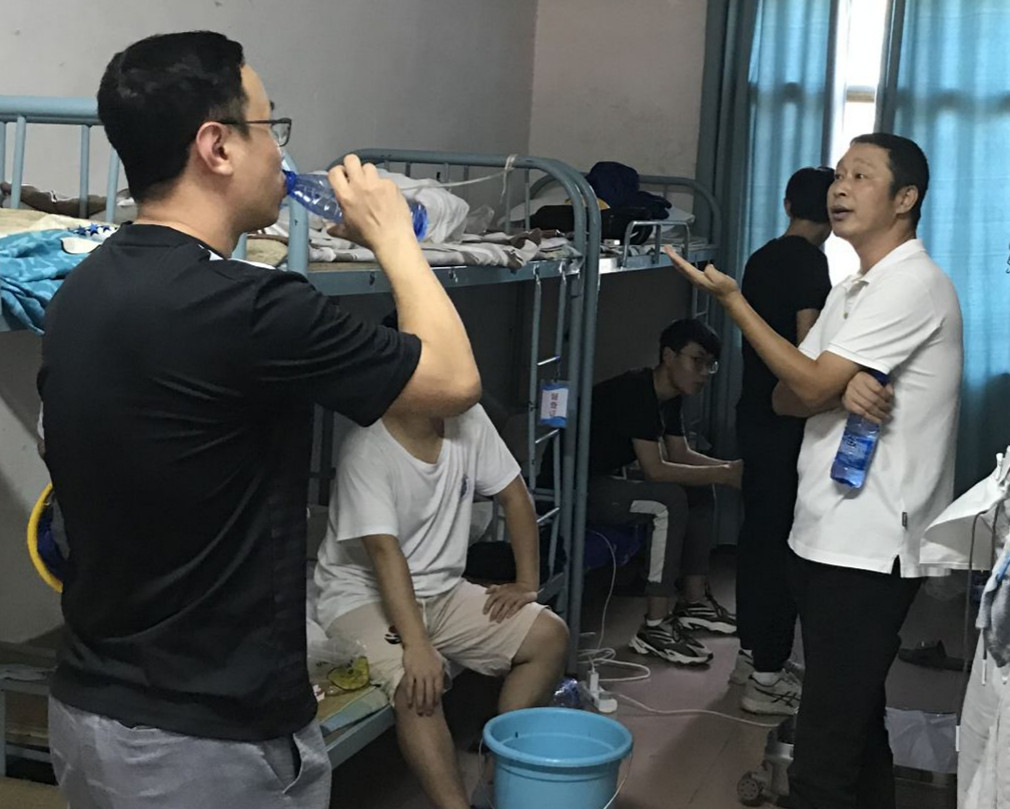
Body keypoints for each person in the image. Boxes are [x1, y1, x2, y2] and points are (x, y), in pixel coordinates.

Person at [38, 31, 481, 809]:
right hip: (200, 744)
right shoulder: (251, 308)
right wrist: (393, 235)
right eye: (270, 126)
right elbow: (454, 380)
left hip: (91, 711)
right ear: (216, 146)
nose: (282, 151)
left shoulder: (82, 290)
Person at [668, 133, 963, 809]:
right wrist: (830, 385)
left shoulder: (912, 283)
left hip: (869, 545)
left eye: (862, 176)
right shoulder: (853, 287)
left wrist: (736, 303)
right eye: (839, 175)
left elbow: (805, 381)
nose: (841, 188)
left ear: (905, 199)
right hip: (824, 534)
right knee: (855, 725)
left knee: (823, 754)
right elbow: (785, 396)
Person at [313, 401, 569, 809]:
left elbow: (515, 495)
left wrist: (526, 583)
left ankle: (497, 779)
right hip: (363, 595)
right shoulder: (366, 447)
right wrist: (417, 646)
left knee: (549, 636)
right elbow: (384, 553)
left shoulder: (468, 417)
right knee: (417, 685)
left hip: (443, 591)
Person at [732, 166, 834, 716]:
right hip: (785, 418)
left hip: (752, 410)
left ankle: (750, 655)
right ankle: (768, 676)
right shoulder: (810, 262)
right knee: (783, 547)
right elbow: (806, 347)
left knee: (757, 538)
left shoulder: (760, 258)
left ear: (788, 203)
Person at [585, 318, 743, 666]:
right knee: (668, 500)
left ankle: (694, 602)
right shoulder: (636, 391)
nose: (704, 373)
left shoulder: (668, 396)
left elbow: (680, 454)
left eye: (710, 365)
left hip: (610, 480)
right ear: (669, 356)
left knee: (698, 489)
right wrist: (726, 473)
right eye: (697, 361)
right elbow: (655, 469)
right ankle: (654, 626)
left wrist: (729, 468)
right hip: (579, 487)